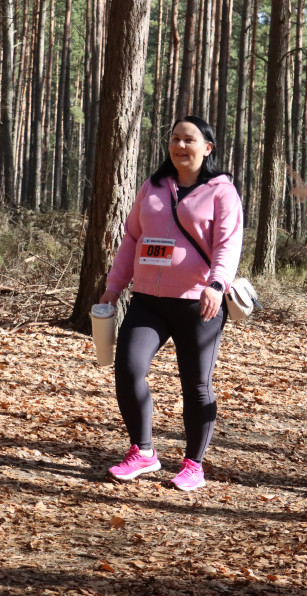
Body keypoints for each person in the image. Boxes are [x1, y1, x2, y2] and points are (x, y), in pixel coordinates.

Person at [99, 116, 243, 491]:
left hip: (199, 304)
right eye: (175, 139)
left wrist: (216, 284)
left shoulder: (221, 191)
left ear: (207, 148)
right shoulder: (154, 186)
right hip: (148, 299)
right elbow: (132, 238)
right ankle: (143, 451)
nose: (180, 146)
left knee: (196, 385)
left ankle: (194, 463)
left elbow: (229, 245)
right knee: (128, 370)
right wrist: (114, 287)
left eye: (189, 140)